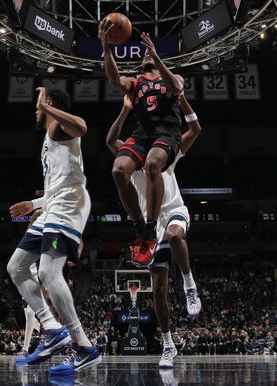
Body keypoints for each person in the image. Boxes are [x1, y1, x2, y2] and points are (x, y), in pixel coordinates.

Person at [9, 87, 101, 375]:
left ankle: (83, 345)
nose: (36, 111)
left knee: (49, 272)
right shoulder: (48, 139)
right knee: (17, 266)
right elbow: (57, 184)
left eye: (39, 107)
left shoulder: (59, 126)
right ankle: (51, 327)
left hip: (69, 204)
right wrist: (33, 204)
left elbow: (82, 127)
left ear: (49, 104)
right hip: (52, 205)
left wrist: (48, 109)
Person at [106, 93, 203, 368]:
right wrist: (125, 111)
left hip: (174, 210)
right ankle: (169, 345)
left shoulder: (166, 150)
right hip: (153, 225)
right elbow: (110, 141)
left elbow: (195, 129)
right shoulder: (132, 153)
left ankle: (189, 285)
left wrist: (182, 100)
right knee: (158, 291)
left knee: (174, 235)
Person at [100, 24, 184, 266]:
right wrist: (107, 49)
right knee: (118, 170)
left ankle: (151, 226)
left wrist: (156, 56)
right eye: (145, 54)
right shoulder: (135, 83)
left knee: (153, 164)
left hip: (167, 131)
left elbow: (177, 88)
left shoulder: (171, 77)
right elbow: (114, 79)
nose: (146, 55)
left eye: (150, 53)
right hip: (143, 133)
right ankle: (139, 226)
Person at [7, 207, 60, 365]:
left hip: (36, 278)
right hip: (23, 280)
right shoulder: (31, 235)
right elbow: (36, 213)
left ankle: (25, 348)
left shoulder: (50, 237)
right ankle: (54, 334)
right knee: (30, 316)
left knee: (31, 313)